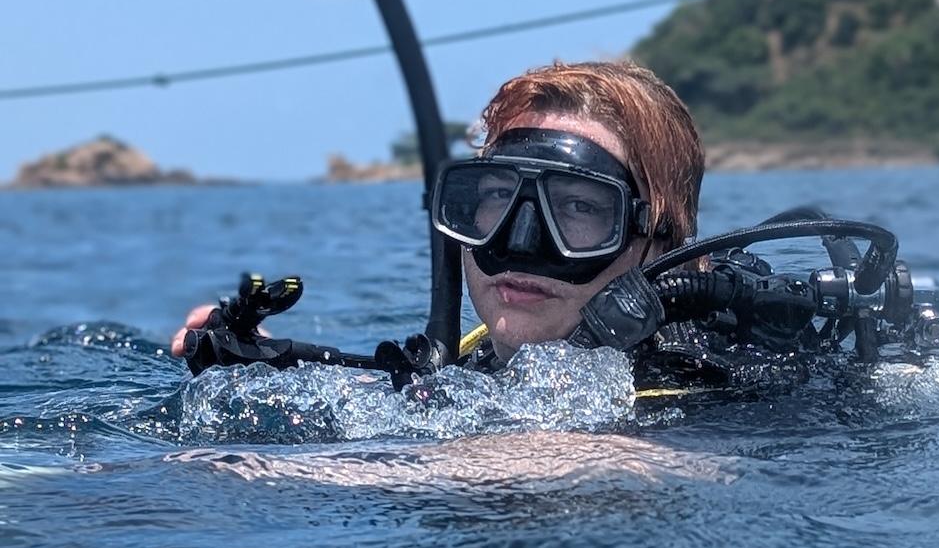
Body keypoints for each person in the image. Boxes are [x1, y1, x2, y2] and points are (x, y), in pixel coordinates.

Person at [172, 59, 706, 365]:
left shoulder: (713, 387)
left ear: (663, 241)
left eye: (578, 206)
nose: (518, 242)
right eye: (496, 196)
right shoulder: (474, 365)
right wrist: (267, 360)